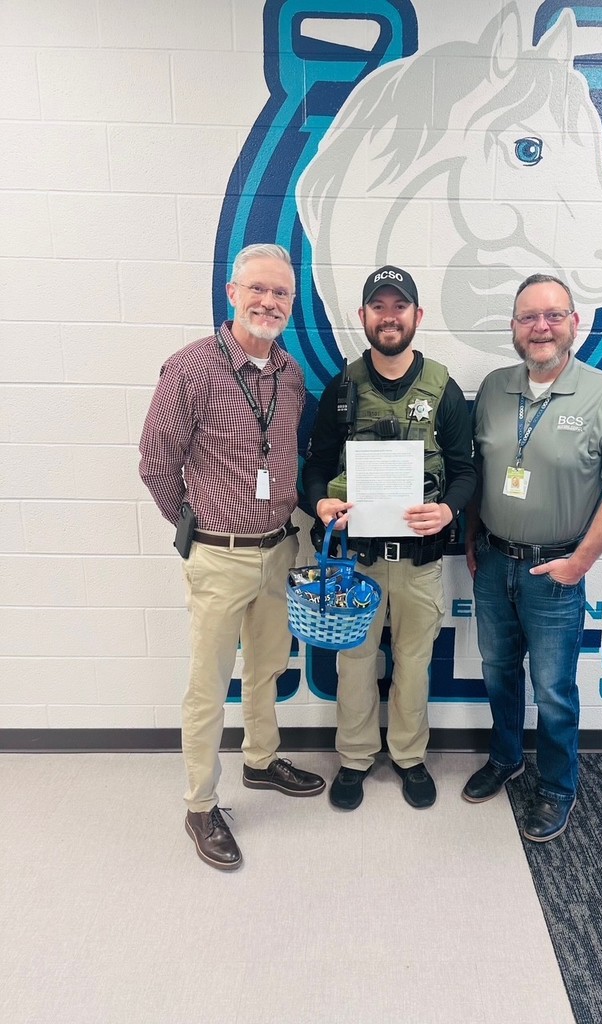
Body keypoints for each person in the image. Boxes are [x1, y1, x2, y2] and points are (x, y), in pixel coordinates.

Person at [139, 243, 325, 871]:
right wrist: (198, 527)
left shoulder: (289, 373)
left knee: (268, 667)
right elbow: (156, 462)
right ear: (232, 292)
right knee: (207, 689)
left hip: (279, 552)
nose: (269, 302)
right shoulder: (190, 368)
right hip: (218, 558)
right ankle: (199, 804)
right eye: (258, 290)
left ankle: (262, 761)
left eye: (281, 294)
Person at [463, 273, 602, 841]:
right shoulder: (494, 388)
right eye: (528, 318)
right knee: (498, 674)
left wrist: (581, 563)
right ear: (514, 329)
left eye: (553, 315)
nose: (540, 327)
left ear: (574, 324)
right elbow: (480, 471)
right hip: (494, 563)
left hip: (556, 572)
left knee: (553, 689)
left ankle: (556, 785)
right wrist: (472, 540)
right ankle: (505, 757)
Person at [303, 266, 476, 810]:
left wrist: (448, 508)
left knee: (414, 662)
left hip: (420, 560)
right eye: (378, 306)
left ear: (417, 317)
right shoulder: (342, 387)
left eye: (399, 306)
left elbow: (466, 469)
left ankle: (408, 756)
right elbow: (315, 467)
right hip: (357, 560)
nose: (389, 316)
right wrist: (320, 503)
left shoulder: (443, 389)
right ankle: (354, 758)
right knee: (354, 662)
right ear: (363, 318)